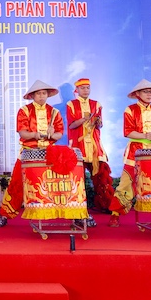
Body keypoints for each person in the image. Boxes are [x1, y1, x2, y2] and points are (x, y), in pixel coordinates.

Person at [0, 80, 64, 228]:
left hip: (50, 153)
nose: (42, 96)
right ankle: (5, 214)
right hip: (29, 152)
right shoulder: (24, 111)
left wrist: (52, 134)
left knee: (58, 182)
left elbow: (59, 134)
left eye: (44, 93)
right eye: (38, 94)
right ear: (32, 96)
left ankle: (67, 213)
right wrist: (35, 135)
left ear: (48, 95)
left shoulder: (54, 112)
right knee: (17, 183)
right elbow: (22, 132)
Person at [108, 79, 151, 227]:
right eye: (145, 91)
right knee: (126, 183)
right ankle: (115, 214)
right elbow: (128, 132)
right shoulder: (130, 110)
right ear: (138, 94)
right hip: (135, 152)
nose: (149, 94)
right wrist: (145, 136)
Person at [66, 78, 113, 222]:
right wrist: (84, 119)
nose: (85, 90)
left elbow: (100, 125)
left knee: (102, 176)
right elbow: (71, 125)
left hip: (94, 145)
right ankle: (77, 205)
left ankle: (105, 204)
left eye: (87, 88)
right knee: (76, 178)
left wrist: (97, 122)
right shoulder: (71, 104)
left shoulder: (96, 104)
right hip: (78, 145)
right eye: (82, 88)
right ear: (77, 90)